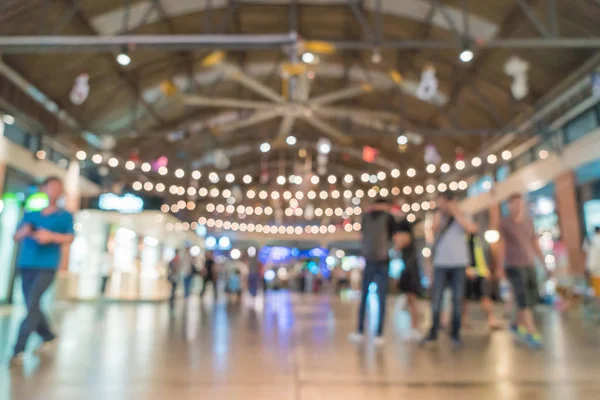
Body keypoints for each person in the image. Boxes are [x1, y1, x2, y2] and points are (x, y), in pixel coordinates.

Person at [11, 176, 75, 365]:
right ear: (44, 189)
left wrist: (51, 236)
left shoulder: (65, 215)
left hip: (47, 266)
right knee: (33, 305)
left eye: (58, 188)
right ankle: (48, 336)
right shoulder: (31, 214)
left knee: (32, 303)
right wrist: (24, 233)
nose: (54, 191)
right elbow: (15, 236)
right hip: (27, 263)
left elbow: (69, 238)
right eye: (51, 187)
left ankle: (18, 349)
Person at [421, 192, 478, 349]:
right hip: (440, 263)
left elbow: (471, 229)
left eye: (444, 202)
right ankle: (433, 331)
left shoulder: (463, 215)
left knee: (457, 299)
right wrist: (438, 220)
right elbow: (431, 234)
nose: (442, 206)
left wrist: (456, 213)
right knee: (437, 299)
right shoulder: (439, 216)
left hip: (459, 264)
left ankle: (455, 333)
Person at [497, 193, 551, 350]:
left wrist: (544, 263)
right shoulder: (505, 223)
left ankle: (516, 325)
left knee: (530, 299)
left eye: (519, 203)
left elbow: (534, 243)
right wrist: (500, 266)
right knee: (523, 298)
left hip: (529, 264)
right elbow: (502, 244)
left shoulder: (528, 222)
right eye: (514, 203)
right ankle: (531, 332)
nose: (517, 206)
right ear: (509, 205)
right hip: (513, 265)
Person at [349, 198, 398, 346]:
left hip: (370, 259)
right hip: (382, 261)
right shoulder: (389, 218)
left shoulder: (366, 217)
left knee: (364, 296)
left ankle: (360, 331)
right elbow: (393, 238)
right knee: (381, 297)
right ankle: (378, 333)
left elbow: (361, 237)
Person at [394, 209, 424, 341]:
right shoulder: (410, 239)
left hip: (410, 273)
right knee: (410, 301)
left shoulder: (406, 238)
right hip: (409, 271)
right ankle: (414, 327)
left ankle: (415, 327)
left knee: (412, 302)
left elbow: (398, 246)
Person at [462, 234, 501, 330]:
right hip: (468, 272)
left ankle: (491, 318)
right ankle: (463, 319)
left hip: (481, 272)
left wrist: (487, 270)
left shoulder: (479, 239)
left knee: (485, 297)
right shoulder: (462, 239)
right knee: (465, 298)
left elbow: (482, 256)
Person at [584, 227, 600, 298]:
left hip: (597, 273)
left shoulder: (594, 242)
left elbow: (592, 258)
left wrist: (588, 268)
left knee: (598, 294)